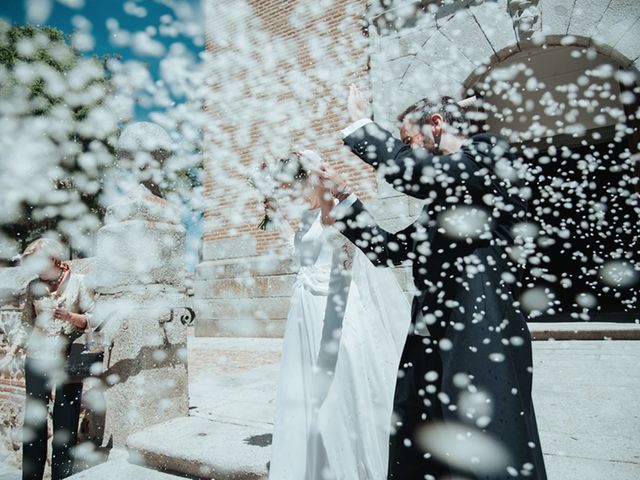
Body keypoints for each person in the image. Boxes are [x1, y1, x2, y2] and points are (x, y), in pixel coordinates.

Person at [319, 85, 548, 480]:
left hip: (482, 326)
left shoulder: (486, 153)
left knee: (485, 439)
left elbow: (416, 174)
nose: (409, 150)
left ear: (436, 125)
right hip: (432, 331)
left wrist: (362, 125)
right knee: (423, 436)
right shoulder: (445, 196)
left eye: (409, 140)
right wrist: (343, 198)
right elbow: (390, 250)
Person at [267, 152, 412, 480]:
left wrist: (326, 184)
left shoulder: (330, 210)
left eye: (298, 183)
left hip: (336, 310)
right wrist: (276, 214)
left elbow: (330, 226)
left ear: (312, 180)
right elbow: (300, 251)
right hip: (306, 312)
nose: (293, 192)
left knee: (341, 387)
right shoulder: (305, 219)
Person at [0, 238, 95, 480]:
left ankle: (62, 476)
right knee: (33, 423)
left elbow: (93, 319)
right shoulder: (33, 286)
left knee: (66, 421)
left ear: (52, 259)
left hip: (68, 361)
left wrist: (70, 316)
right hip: (36, 358)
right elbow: (25, 324)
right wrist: (11, 353)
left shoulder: (79, 283)